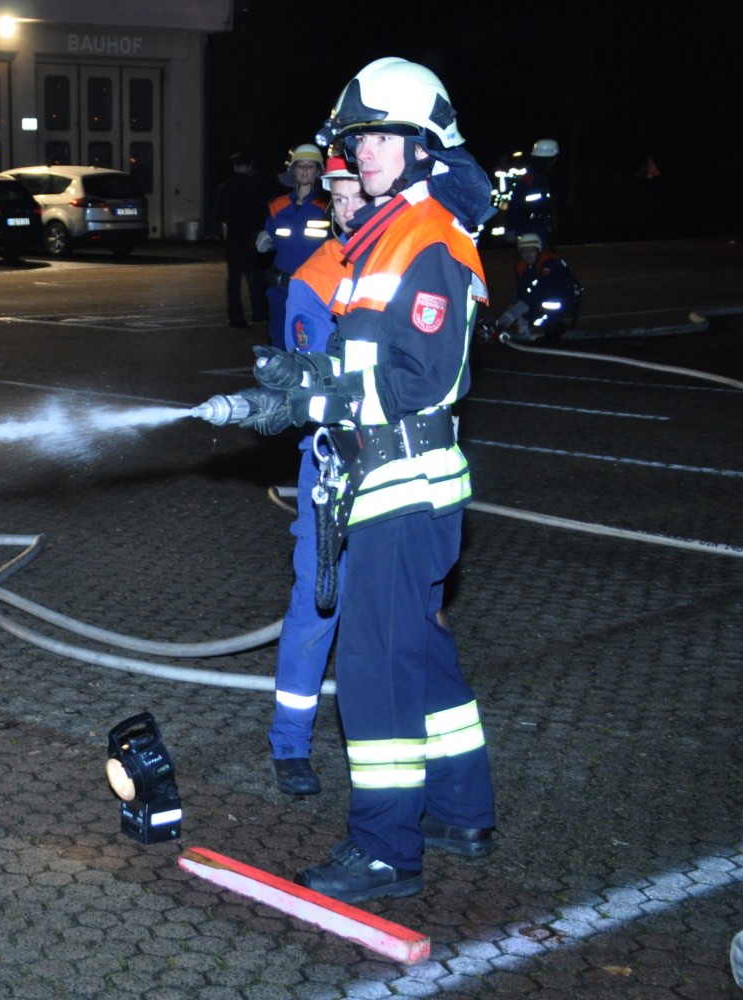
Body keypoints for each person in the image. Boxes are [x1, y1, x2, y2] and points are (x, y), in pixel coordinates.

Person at [223, 56, 499, 903]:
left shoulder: (429, 240)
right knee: (420, 651)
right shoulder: (380, 235)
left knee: (374, 669)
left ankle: (384, 850)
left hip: (403, 485)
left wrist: (314, 399)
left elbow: (421, 380)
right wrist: (297, 382)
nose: (361, 152)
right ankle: (461, 810)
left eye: (380, 137)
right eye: (355, 138)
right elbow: (364, 360)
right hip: (388, 484)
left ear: (422, 148)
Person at [267, 154, 368, 796]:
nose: (350, 209)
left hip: (402, 467)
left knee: (400, 609)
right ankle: (290, 744)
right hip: (334, 462)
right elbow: (314, 380)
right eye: (342, 197)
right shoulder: (317, 276)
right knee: (317, 601)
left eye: (362, 196)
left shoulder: (411, 260)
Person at [257, 144, 331, 349]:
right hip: (282, 288)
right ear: (293, 170)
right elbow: (271, 239)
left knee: (312, 341)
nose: (305, 170)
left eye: (310, 166)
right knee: (280, 340)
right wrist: (265, 241)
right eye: (300, 165)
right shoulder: (277, 206)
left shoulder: (329, 206)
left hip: (315, 288)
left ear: (318, 172)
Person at [489, 231, 582, 342]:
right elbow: (522, 290)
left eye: (531, 250)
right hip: (547, 297)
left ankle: (554, 327)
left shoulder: (549, 262)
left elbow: (541, 288)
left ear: (538, 250)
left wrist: (515, 312)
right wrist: (514, 307)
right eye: (524, 251)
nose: (527, 255)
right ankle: (540, 329)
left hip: (566, 297)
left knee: (535, 305)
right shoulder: (523, 267)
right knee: (527, 307)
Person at [215, 151, 271, 328]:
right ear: (249, 166)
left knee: (234, 279)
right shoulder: (254, 186)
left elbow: (219, 213)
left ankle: (235, 316)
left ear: (234, 166)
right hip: (252, 237)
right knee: (255, 277)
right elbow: (263, 211)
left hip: (233, 237)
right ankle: (259, 313)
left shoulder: (225, 188)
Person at [505, 137, 558, 246]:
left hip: (537, 225)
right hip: (528, 227)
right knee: (533, 253)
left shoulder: (543, 178)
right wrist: (510, 228)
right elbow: (515, 203)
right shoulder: (531, 179)